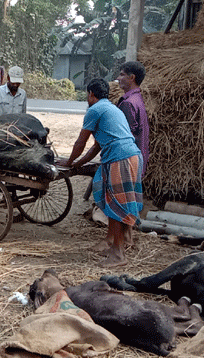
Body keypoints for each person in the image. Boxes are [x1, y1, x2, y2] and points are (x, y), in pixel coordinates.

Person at [58, 79, 143, 268]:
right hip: (131, 156)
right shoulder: (112, 109)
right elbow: (96, 146)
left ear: (91, 94)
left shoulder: (94, 110)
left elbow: (81, 142)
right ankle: (119, 240)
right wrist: (77, 164)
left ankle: (118, 254)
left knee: (117, 205)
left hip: (119, 158)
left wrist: (69, 162)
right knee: (120, 201)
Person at [116, 61, 150, 171]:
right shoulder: (137, 98)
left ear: (132, 78)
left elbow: (126, 137)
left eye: (122, 75)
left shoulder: (128, 103)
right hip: (137, 159)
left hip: (128, 162)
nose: (118, 78)